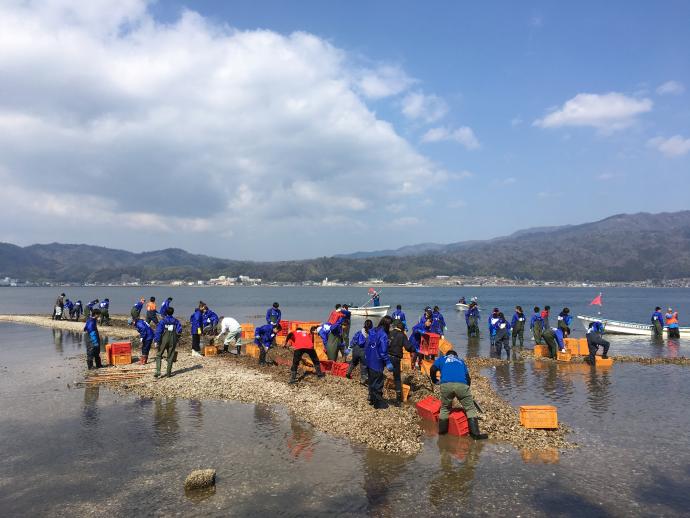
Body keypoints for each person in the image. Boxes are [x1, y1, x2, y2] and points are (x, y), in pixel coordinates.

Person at [429, 350, 486, 439]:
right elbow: (467, 378)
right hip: (462, 385)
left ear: (447, 355)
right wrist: (466, 389)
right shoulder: (460, 361)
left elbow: (432, 369)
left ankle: (442, 433)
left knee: (445, 408)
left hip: (446, 385)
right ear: (456, 355)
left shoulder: (442, 359)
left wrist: (434, 380)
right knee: (470, 408)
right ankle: (475, 435)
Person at [365, 316, 393, 409]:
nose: (392, 327)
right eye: (391, 325)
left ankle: (371, 399)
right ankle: (378, 403)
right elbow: (383, 351)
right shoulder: (383, 335)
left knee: (371, 381)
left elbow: (367, 345)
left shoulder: (372, 331)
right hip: (377, 362)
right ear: (387, 325)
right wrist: (388, 362)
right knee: (378, 382)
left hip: (369, 360)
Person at [388, 320, 414, 405]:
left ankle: (378, 393)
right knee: (397, 378)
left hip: (387, 357)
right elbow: (408, 347)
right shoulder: (402, 335)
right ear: (402, 329)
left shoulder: (390, 333)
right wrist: (415, 349)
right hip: (395, 358)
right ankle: (398, 399)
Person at [153, 307, 183, 378]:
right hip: (172, 339)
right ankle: (168, 373)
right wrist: (177, 338)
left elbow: (158, 331)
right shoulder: (176, 321)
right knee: (170, 356)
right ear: (172, 312)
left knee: (159, 355)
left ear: (166, 313)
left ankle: (158, 371)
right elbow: (179, 330)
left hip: (164, 339)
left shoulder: (163, 321)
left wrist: (156, 341)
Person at [346, 319, 372, 385]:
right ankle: (363, 380)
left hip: (356, 349)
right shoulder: (371, 334)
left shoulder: (359, 332)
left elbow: (354, 340)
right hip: (363, 351)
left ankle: (348, 373)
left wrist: (349, 348)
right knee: (364, 365)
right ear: (371, 326)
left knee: (353, 362)